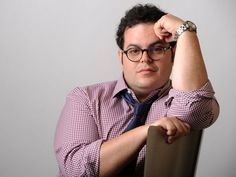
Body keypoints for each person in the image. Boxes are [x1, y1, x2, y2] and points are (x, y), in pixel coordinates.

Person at [54, 3, 219, 177]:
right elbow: (75, 170)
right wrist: (147, 131)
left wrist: (185, 31)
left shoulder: (182, 101)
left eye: (157, 49)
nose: (145, 59)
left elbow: (193, 108)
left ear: (174, 54)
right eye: (134, 51)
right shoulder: (85, 98)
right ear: (121, 57)